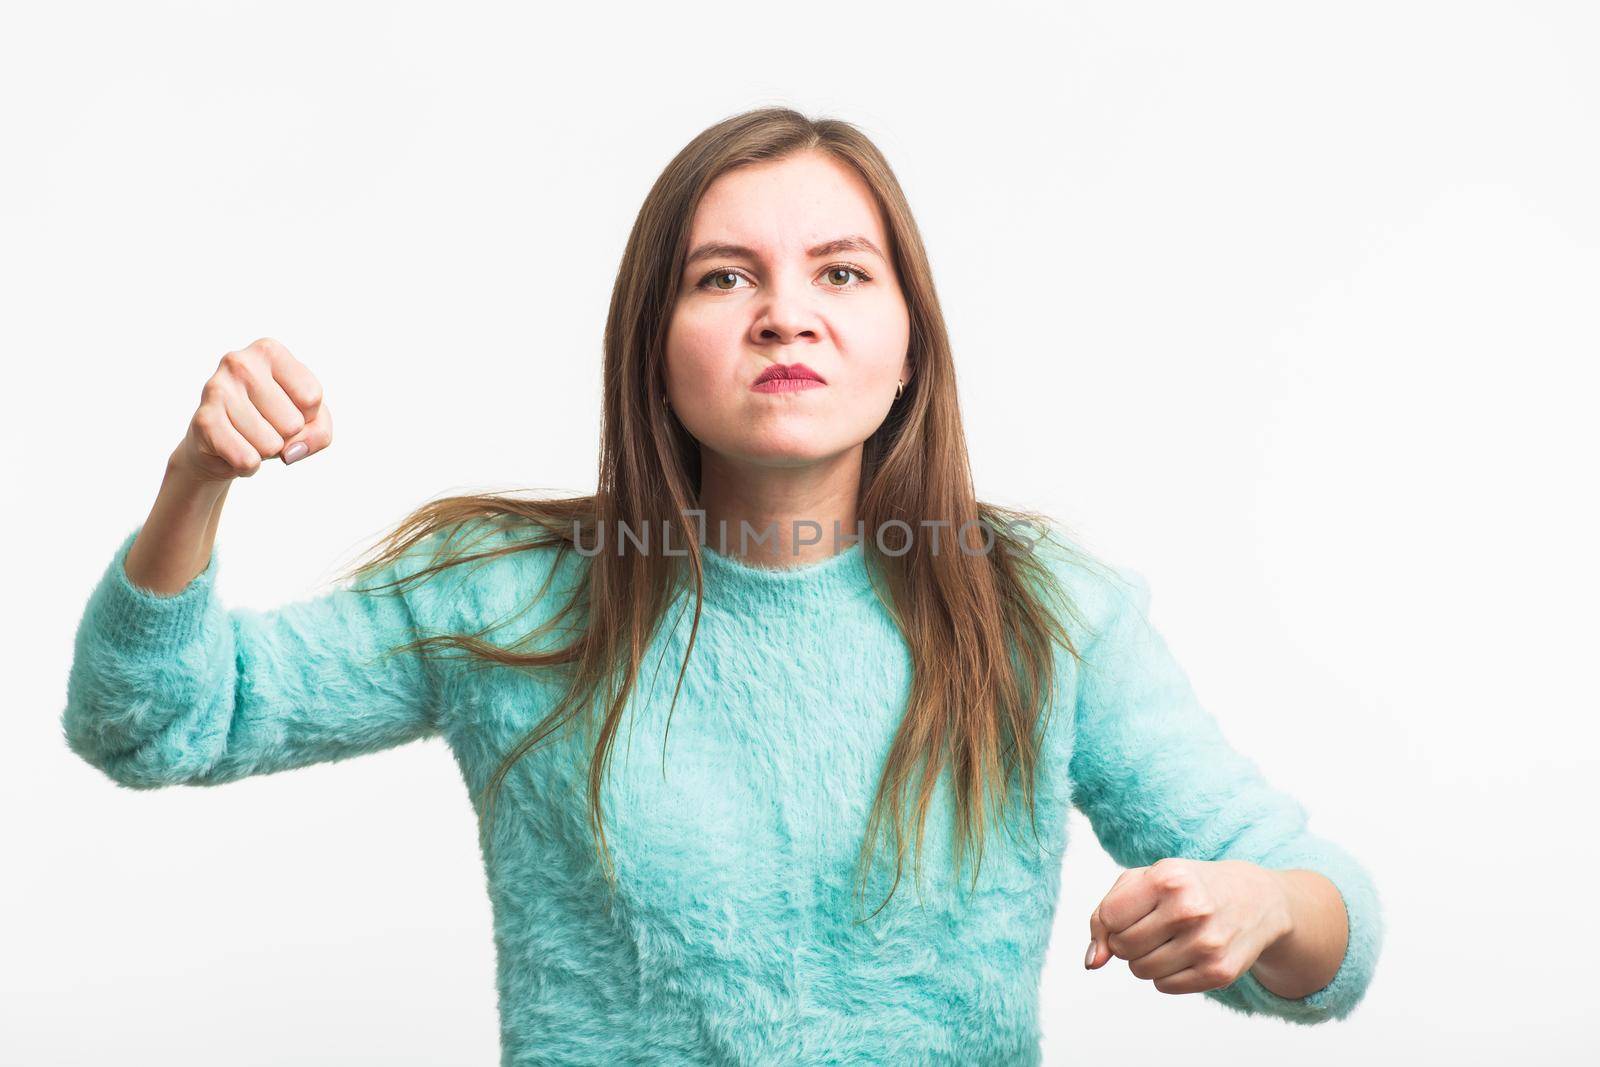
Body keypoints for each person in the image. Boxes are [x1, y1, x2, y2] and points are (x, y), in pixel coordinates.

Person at [61, 107, 1384, 1065]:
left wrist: (1260, 904)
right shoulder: (502, 598)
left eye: (841, 273)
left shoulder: (1046, 614)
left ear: (909, 342)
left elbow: (1326, 930)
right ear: (655, 345)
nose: (786, 314)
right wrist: (196, 480)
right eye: (723, 277)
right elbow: (156, 719)